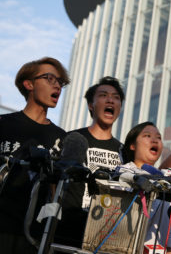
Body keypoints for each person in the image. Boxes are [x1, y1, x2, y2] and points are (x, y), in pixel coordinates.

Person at [0, 57, 70, 254]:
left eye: (60, 82)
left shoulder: (62, 138)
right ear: (29, 84)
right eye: (50, 79)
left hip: (35, 237)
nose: (57, 86)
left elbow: (56, 195)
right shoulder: (2, 124)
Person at [55, 76, 126, 248]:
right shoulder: (72, 138)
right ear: (91, 105)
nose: (110, 99)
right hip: (67, 230)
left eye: (116, 97)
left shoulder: (123, 151)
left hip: (106, 233)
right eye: (103, 95)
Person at [119, 121, 171, 253]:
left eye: (158, 137)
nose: (155, 140)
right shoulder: (123, 173)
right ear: (132, 145)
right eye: (147, 136)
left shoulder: (168, 179)